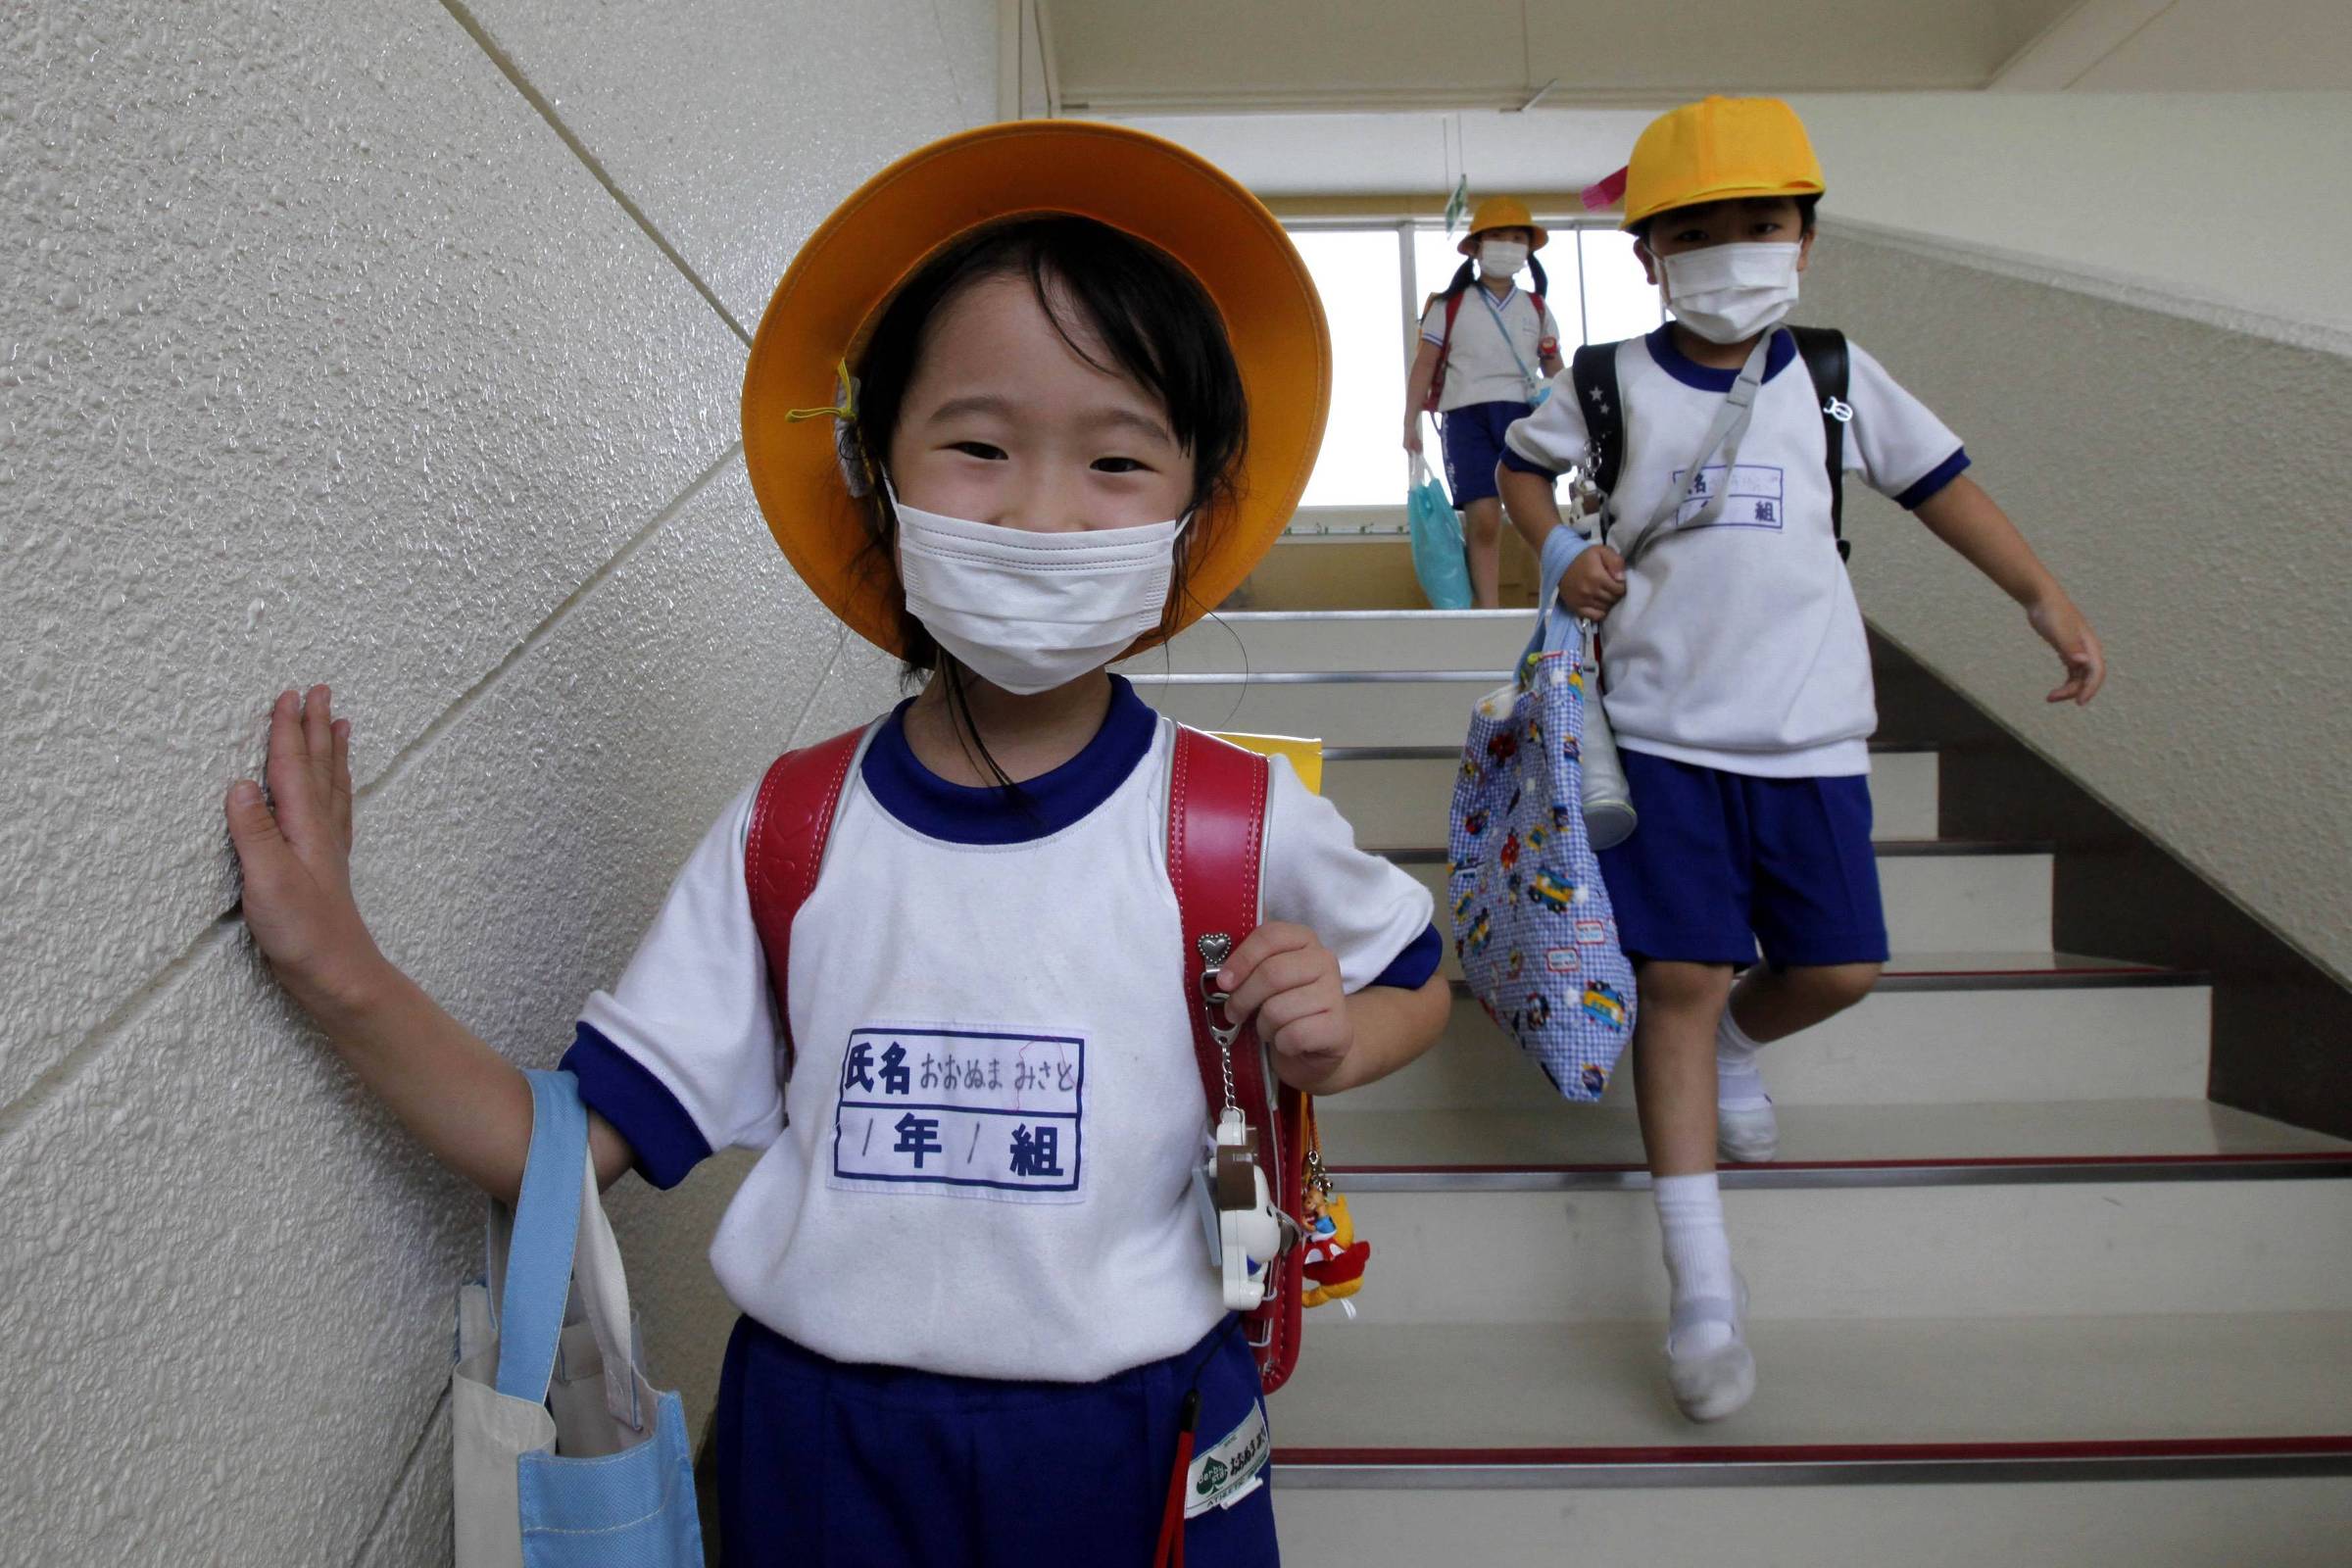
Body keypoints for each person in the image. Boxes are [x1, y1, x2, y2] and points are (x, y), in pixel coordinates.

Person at [223, 122, 1451, 1564]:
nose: (1045, 513)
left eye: (1118, 460)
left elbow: (1417, 978)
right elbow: (554, 1146)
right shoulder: (795, 830)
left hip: (1144, 1446)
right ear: (874, 471)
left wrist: (1341, 1044)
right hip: (822, 1456)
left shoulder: (1235, 820)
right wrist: (335, 967)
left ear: (1194, 511)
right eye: (981, 447)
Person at [1494, 97, 2106, 1423]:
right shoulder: (1604, 381)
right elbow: (1519, 470)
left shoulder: (1833, 373)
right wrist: (1555, 553)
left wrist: (2040, 595)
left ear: (1806, 242)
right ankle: (1702, 1286)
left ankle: (1732, 1048)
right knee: (1679, 983)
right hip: (1658, 735)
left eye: (1758, 226)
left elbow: (1939, 482)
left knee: (1839, 968)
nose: (1729, 254)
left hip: (1814, 737)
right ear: (1651, 255)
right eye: (1696, 233)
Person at [1403, 197, 1564, 607]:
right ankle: (1488, 612)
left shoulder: (1537, 307)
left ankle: (1552, 608)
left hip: (1525, 418)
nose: (1508, 245)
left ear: (1528, 251)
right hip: (1465, 417)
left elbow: (1554, 368)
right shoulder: (1447, 306)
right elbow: (1424, 366)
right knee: (1485, 520)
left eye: (1516, 238)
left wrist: (1572, 418)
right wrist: (1410, 423)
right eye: (1498, 237)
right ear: (1475, 247)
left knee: (1539, 519)